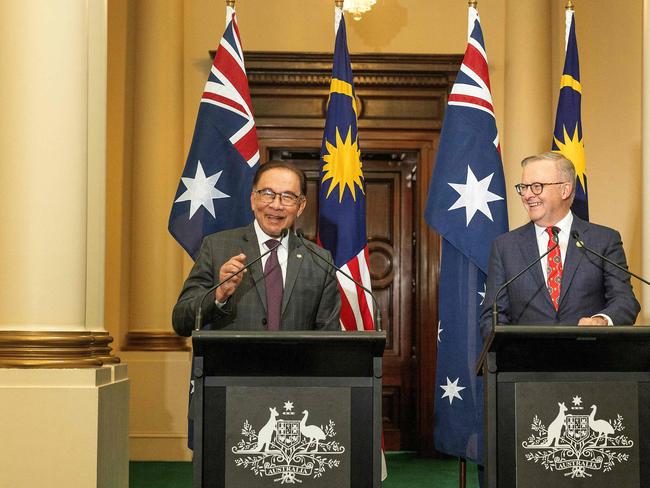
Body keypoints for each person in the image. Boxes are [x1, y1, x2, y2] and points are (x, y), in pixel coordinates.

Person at [480, 152, 640, 339]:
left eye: (537, 187)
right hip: (528, 364)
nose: (527, 195)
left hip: (590, 360)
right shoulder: (505, 247)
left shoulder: (603, 240)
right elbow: (492, 317)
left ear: (565, 190)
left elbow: (625, 301)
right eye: (524, 187)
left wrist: (601, 321)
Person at [172, 160, 341, 336]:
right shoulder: (217, 247)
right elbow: (181, 321)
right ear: (253, 200)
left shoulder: (319, 260)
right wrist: (219, 294)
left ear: (300, 207)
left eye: (288, 197)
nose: (276, 205)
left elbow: (329, 337)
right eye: (268, 194)